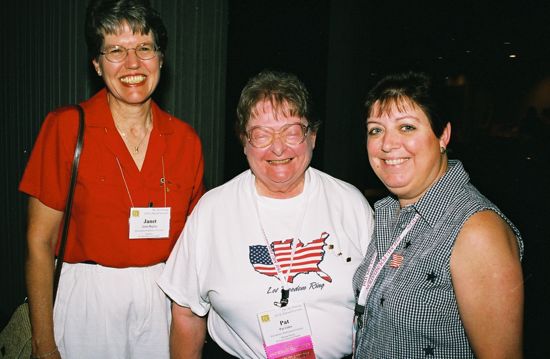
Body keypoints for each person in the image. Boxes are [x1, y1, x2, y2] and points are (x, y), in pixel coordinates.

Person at [19, 0, 205, 358]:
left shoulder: (186, 140)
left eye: (144, 48)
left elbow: (196, 248)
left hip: (162, 299)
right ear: (97, 64)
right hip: (89, 299)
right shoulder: (67, 128)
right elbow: (38, 241)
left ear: (161, 59)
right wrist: (44, 343)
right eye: (116, 50)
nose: (132, 64)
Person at [158, 70, 374, 358]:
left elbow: (381, 305)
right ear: (244, 142)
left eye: (292, 131)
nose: (278, 147)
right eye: (261, 134)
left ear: (312, 136)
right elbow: (186, 313)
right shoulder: (213, 210)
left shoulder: (350, 202)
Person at [352, 71, 524, 358]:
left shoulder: (477, 232)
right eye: (375, 129)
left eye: (406, 127)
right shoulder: (387, 215)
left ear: (443, 135)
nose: (387, 144)